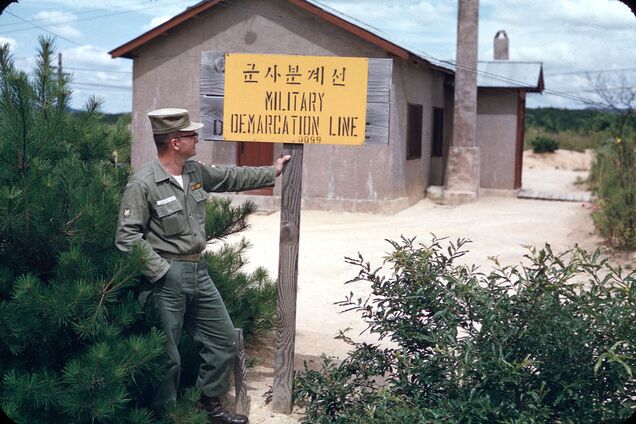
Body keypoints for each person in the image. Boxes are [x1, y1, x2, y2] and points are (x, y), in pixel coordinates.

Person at [115, 108, 290, 424]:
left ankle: (209, 405)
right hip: (165, 277)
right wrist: (161, 271)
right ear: (175, 141)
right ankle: (166, 416)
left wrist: (272, 171)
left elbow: (229, 176)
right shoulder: (142, 183)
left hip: (199, 271)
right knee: (167, 356)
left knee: (223, 340)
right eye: (190, 134)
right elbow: (127, 238)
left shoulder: (194, 173)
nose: (197, 138)